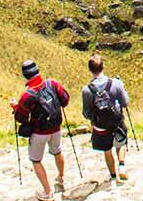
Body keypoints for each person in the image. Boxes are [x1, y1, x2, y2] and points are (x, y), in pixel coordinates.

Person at [11, 60, 71, 201]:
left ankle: (47, 192)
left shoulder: (27, 96)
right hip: (56, 128)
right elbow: (66, 100)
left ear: (25, 75)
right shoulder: (53, 84)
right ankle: (61, 178)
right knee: (57, 152)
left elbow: (20, 117)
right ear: (38, 71)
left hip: (38, 133)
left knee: (36, 160)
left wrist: (14, 106)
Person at [82, 54, 130, 183]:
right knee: (121, 143)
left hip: (100, 126)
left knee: (107, 150)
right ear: (103, 66)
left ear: (90, 70)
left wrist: (94, 119)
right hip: (117, 121)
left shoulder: (87, 90)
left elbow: (86, 112)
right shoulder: (116, 83)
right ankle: (122, 166)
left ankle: (113, 176)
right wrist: (123, 88)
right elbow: (125, 102)